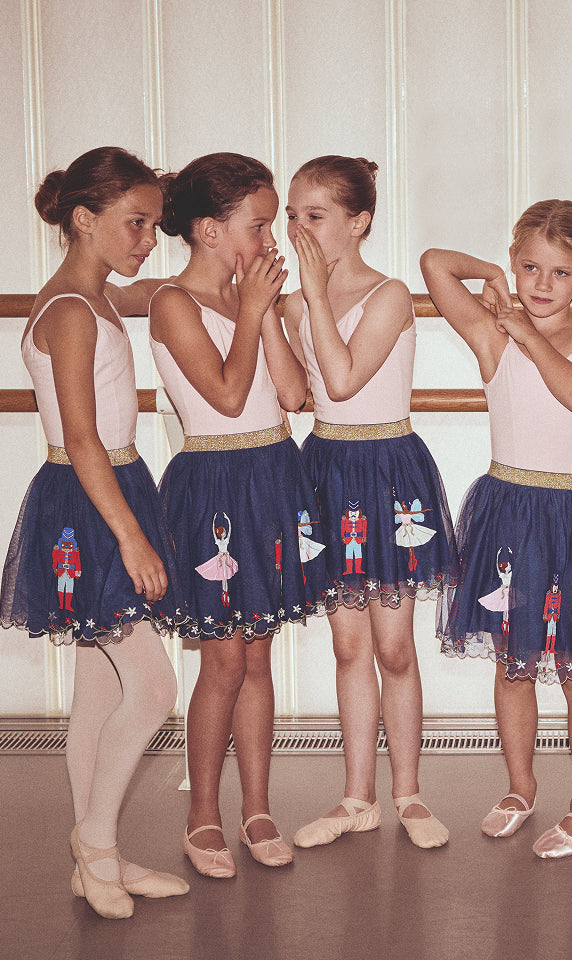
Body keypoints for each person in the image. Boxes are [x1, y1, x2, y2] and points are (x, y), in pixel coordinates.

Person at [421, 200, 572, 859]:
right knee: (512, 662)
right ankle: (520, 787)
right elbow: (434, 265)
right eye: (530, 267)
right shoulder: (494, 333)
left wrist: (526, 330)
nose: (543, 284)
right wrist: (491, 276)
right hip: (507, 512)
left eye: (561, 272)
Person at [0, 147, 187, 917]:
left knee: (98, 689)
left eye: (155, 224)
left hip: (110, 486)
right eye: (135, 223)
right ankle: (96, 844)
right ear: (84, 218)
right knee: (153, 688)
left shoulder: (95, 294)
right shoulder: (72, 310)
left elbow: (150, 289)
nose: (148, 239)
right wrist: (132, 539)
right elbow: (80, 438)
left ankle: (96, 861)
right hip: (89, 499)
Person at [150, 152, 327, 877]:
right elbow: (225, 397)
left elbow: (292, 396)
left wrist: (268, 313)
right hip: (214, 482)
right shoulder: (173, 303)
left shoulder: (248, 301)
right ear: (209, 230)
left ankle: (257, 807)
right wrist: (253, 311)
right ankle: (203, 815)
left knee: (258, 655)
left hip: (271, 476)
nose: (271, 238)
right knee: (222, 662)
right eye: (258, 225)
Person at [283, 156, 457, 849]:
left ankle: (408, 793)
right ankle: (357, 797)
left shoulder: (390, 295)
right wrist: (275, 311)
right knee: (347, 644)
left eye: (314, 216)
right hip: (326, 467)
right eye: (291, 216)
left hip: (387, 471)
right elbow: (300, 395)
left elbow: (346, 378)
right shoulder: (296, 302)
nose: (298, 230)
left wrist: (311, 296)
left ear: (358, 223)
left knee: (394, 646)